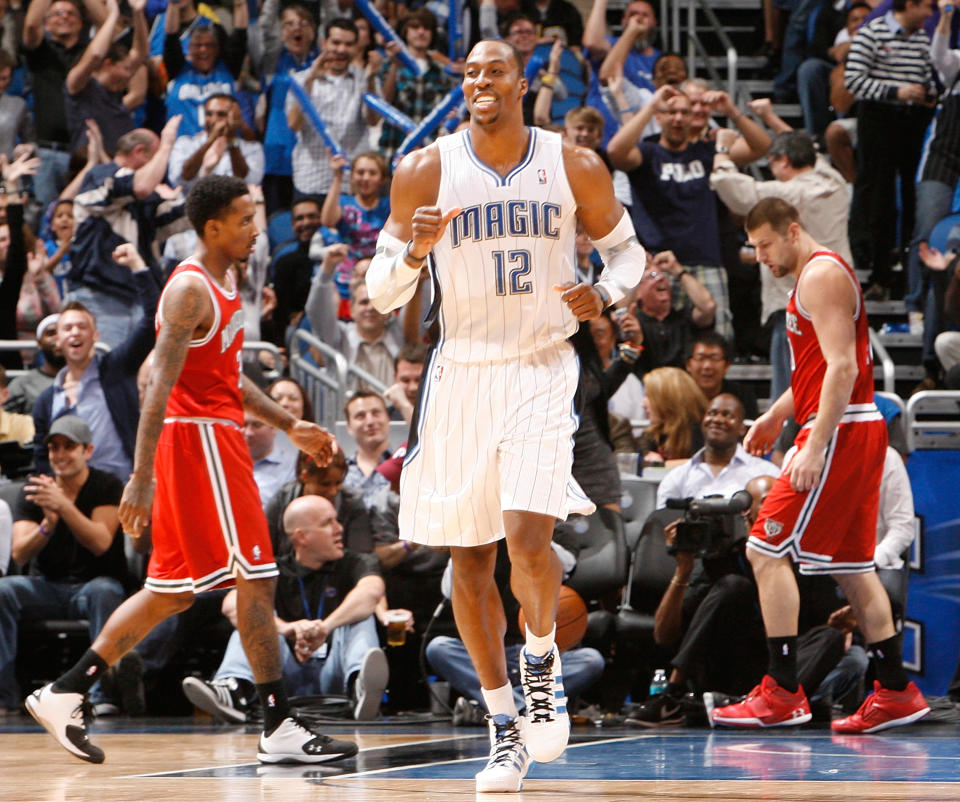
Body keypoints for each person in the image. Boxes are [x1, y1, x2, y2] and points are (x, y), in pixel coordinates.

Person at [366, 38, 645, 792]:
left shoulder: (573, 163)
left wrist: (605, 296)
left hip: (541, 366)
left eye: (493, 71)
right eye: (469, 73)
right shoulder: (424, 169)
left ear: (521, 84)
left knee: (528, 536)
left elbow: (629, 257)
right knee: (470, 559)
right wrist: (414, 254)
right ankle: (501, 726)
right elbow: (380, 291)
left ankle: (543, 664)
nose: (479, 82)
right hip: (461, 370)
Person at [25, 175, 357, 765]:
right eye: (245, 219)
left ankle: (65, 690)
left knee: (170, 593)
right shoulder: (188, 289)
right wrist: (141, 475)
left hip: (211, 439)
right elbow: (157, 387)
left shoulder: (225, 280)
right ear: (213, 228)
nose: (257, 229)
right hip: (197, 444)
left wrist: (290, 424)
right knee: (257, 576)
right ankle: (277, 723)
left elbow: (228, 376)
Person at [711, 197, 929, 733]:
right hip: (848, 426)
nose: (760, 256)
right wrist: (775, 415)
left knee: (764, 549)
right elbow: (816, 371)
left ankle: (783, 690)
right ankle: (897, 691)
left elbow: (843, 367)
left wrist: (813, 444)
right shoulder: (811, 277)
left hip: (841, 429)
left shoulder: (821, 275)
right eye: (753, 247)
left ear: (791, 231)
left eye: (765, 244)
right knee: (852, 566)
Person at [181, 494, 389, 722]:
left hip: (336, 668)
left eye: (336, 520)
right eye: (327, 523)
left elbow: (372, 592)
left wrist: (326, 627)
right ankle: (234, 690)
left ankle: (359, 684)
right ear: (302, 537)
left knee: (361, 616)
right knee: (250, 616)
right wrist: (286, 629)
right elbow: (231, 603)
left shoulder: (357, 562)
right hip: (279, 673)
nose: (339, 528)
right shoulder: (272, 570)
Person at [0, 416, 129, 716]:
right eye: (54, 447)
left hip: (93, 585)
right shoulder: (35, 490)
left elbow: (100, 542)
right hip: (46, 587)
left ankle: (100, 695)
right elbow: (19, 554)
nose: (59, 454)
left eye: (69, 447)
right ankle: (5, 696)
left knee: (106, 591)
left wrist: (64, 506)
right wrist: (48, 523)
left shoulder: (107, 485)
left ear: (88, 451)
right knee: (4, 590)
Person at [33, 246, 159, 481]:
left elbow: (154, 319)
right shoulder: (45, 401)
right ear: (58, 340)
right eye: (67, 328)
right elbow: (42, 459)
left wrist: (137, 266)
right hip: (72, 500)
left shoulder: (117, 368)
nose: (75, 333)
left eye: (82, 327)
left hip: (121, 493)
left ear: (95, 335)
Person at [844, 0, 935, 301]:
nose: (930, 14)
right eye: (928, 6)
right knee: (879, 196)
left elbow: (928, 75)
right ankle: (877, 271)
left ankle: (909, 276)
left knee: (913, 198)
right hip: (879, 119)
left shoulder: (922, 38)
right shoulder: (872, 33)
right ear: (910, 4)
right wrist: (895, 91)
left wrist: (927, 93)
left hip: (913, 120)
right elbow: (853, 81)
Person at [168, 94, 264, 190]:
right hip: (191, 203)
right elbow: (182, 178)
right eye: (209, 114)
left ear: (236, 117)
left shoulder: (252, 148)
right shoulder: (186, 143)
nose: (213, 120)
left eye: (221, 114)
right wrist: (210, 141)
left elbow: (249, 183)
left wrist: (231, 141)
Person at [639, 366, 708, 465]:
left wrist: (663, 465)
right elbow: (645, 465)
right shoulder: (651, 434)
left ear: (667, 400)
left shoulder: (705, 432)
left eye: (649, 397)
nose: (643, 404)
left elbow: (705, 465)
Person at [685, 332, 759, 421]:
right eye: (701, 358)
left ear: (727, 365)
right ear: (688, 364)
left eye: (715, 358)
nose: (707, 366)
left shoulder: (743, 396)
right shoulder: (679, 396)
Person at [4, 314, 63, 415]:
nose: (58, 338)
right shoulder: (22, 385)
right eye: (51, 333)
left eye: (63, 332)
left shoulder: (89, 381)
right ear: (39, 343)